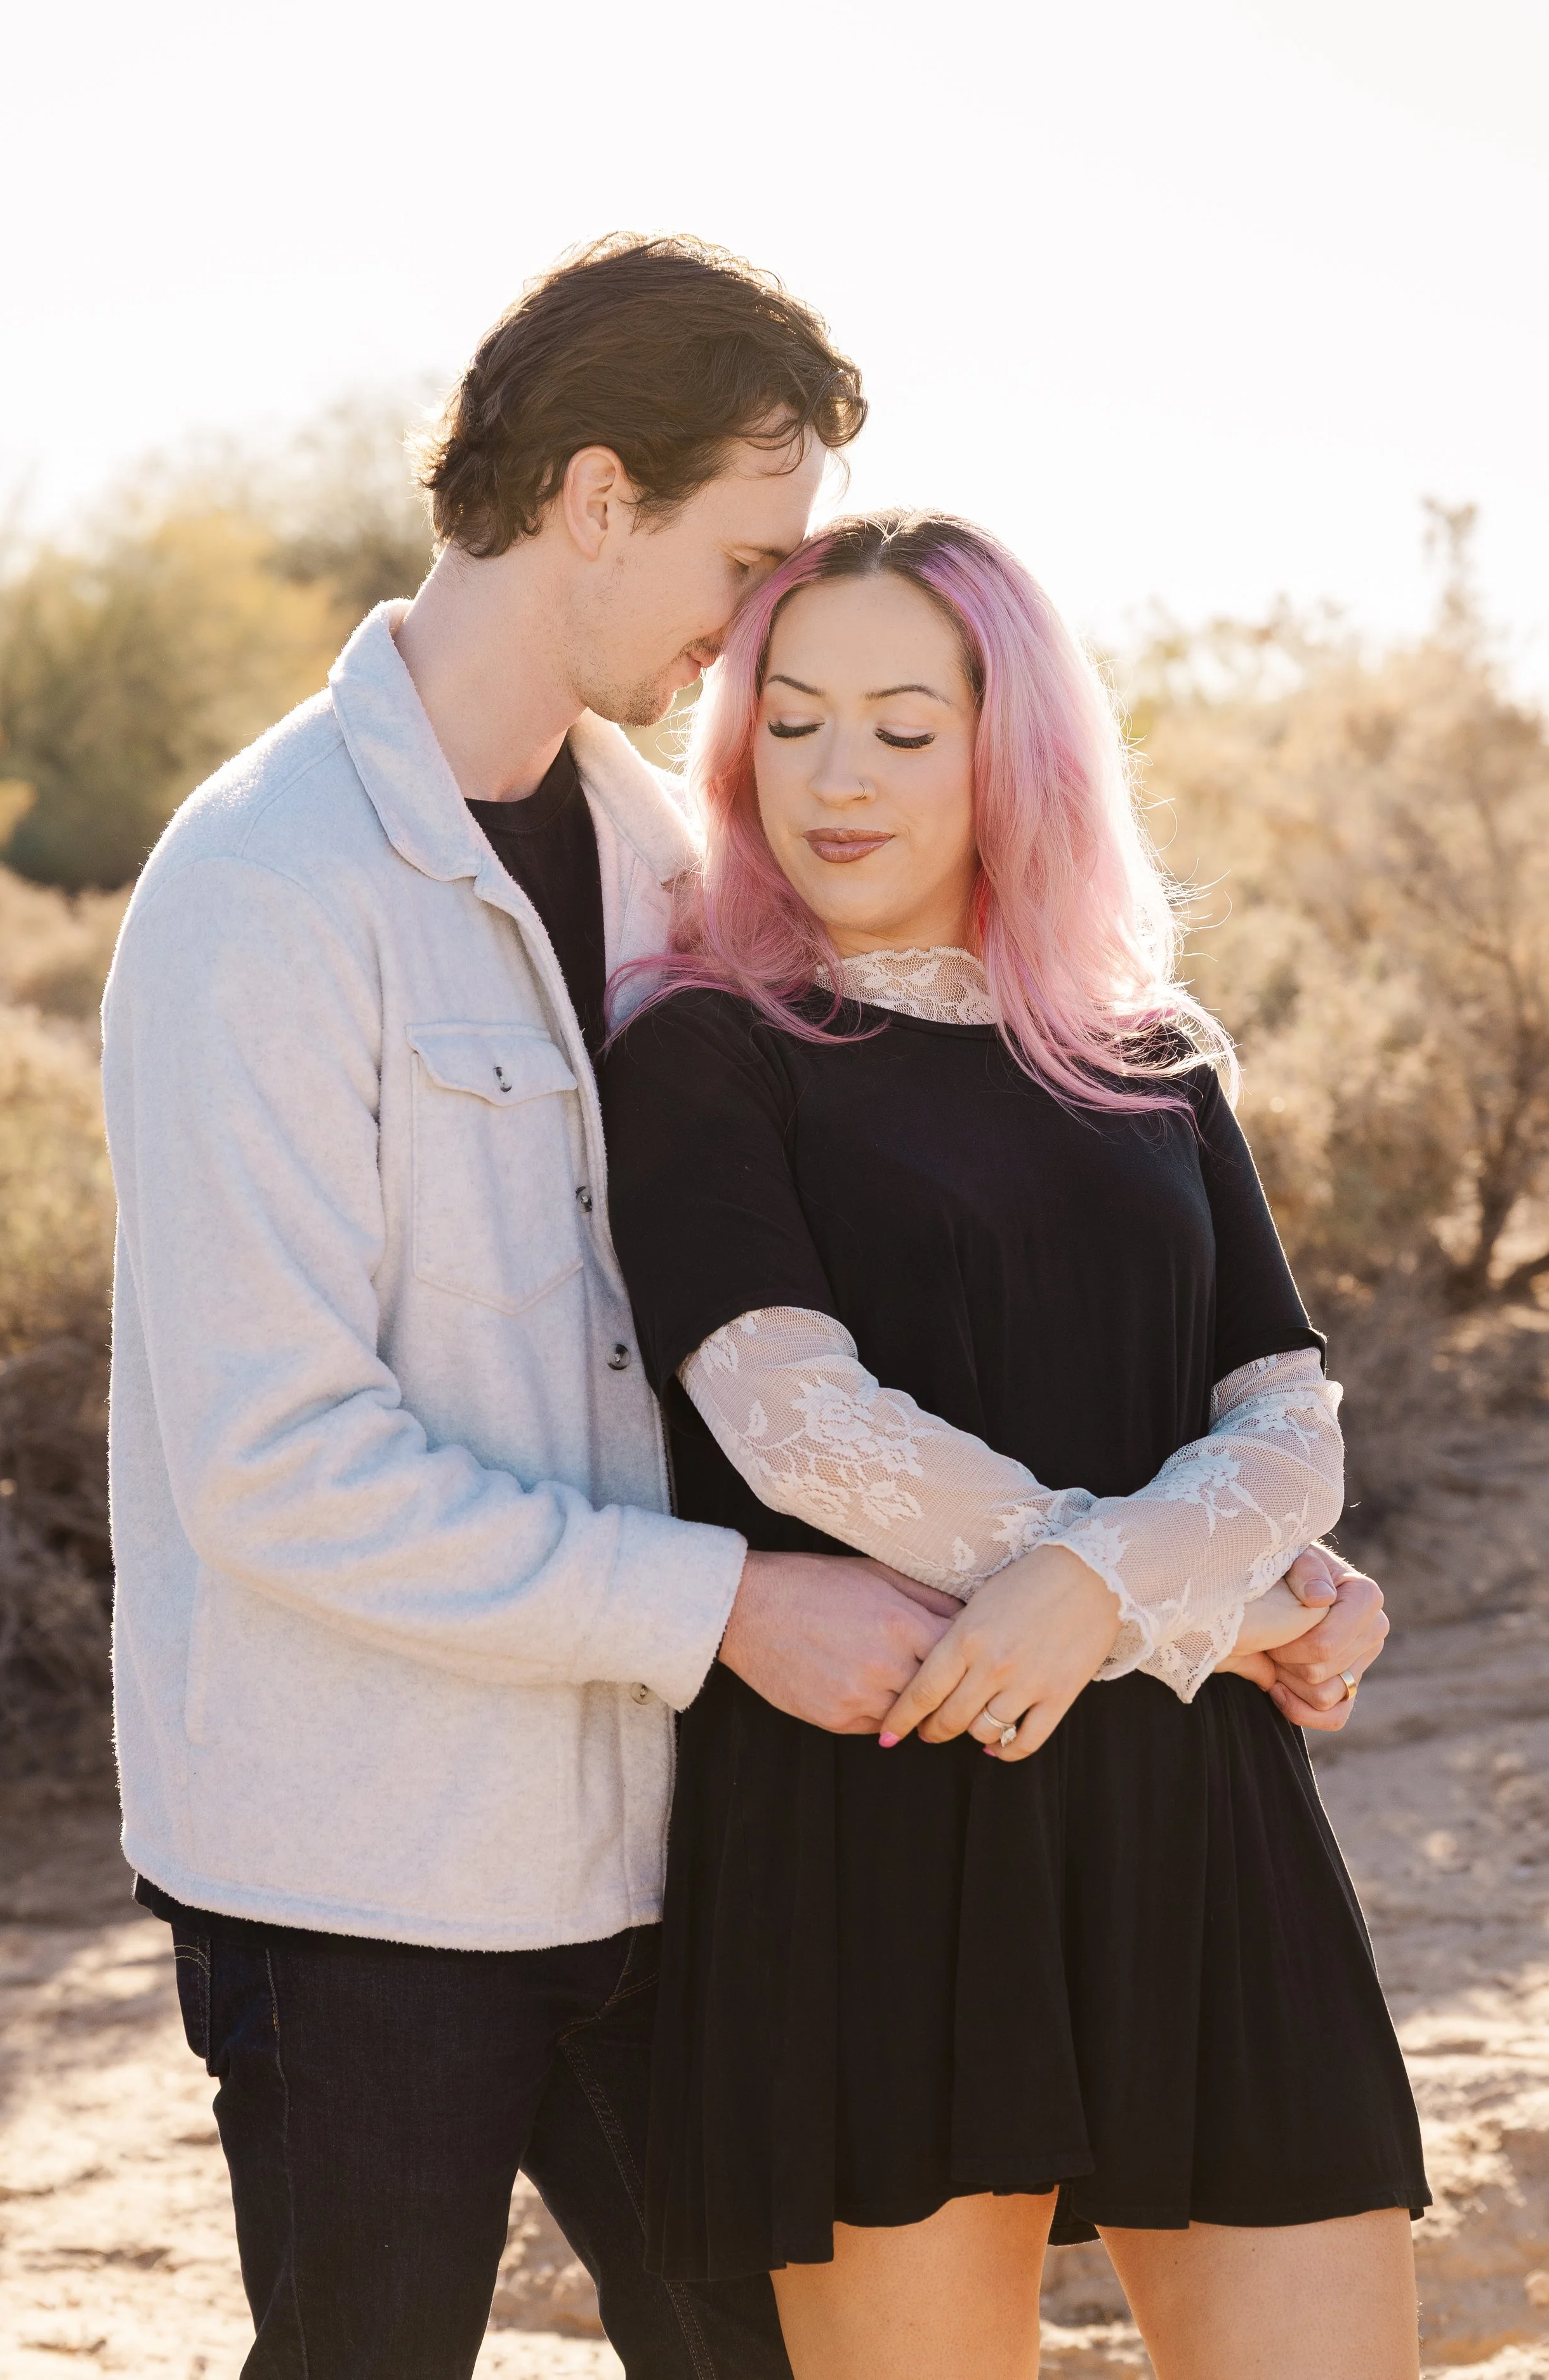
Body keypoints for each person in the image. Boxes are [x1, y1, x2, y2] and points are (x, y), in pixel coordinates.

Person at [98, 234, 940, 2380]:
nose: (756, 620)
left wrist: (1184, 1539)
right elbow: (276, 1468)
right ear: (592, 495)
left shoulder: (673, 866)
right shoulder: (264, 884)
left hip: (663, 1844)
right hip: (356, 1874)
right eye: (740, 557)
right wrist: (727, 1607)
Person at [600, 510, 1427, 2380]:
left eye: (904, 727)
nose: (836, 776)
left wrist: (1105, 1590)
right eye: (791, 720)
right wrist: (1190, 1608)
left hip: (1198, 1818)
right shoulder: (709, 1050)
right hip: (886, 1806)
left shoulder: (1148, 1056)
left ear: (1015, 750)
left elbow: (1284, 1416)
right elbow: (790, 1420)